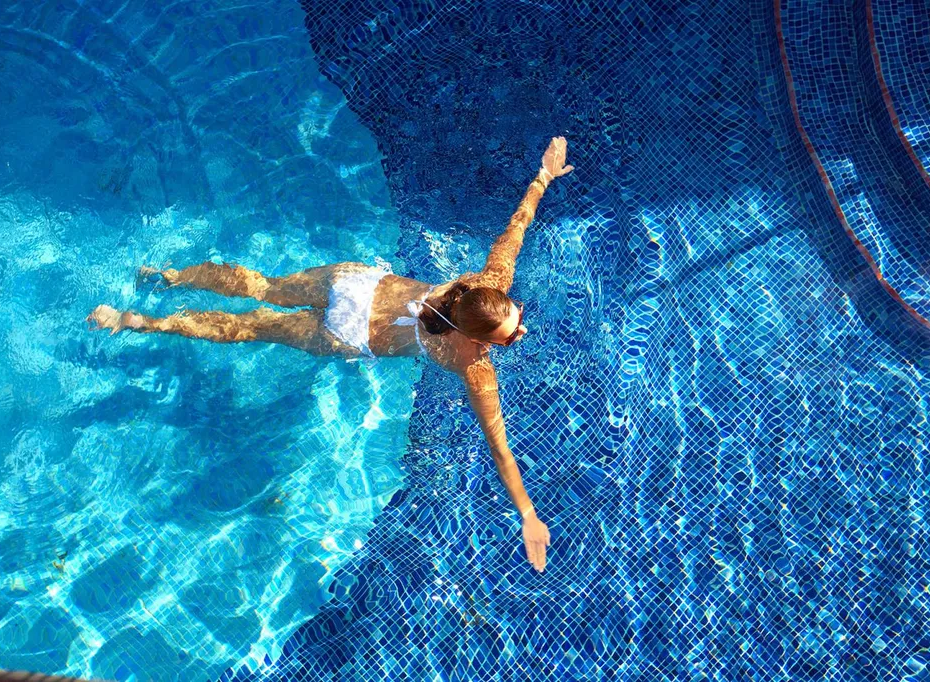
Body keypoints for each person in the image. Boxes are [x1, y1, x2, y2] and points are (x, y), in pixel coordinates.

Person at [87, 136, 574, 573]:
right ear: (479, 337)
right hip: (348, 331)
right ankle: (140, 322)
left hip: (356, 283)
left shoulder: (486, 285)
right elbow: (499, 448)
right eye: (511, 333)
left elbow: (515, 228)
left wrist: (543, 176)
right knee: (250, 328)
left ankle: (168, 276)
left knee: (265, 287)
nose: (521, 328)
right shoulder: (473, 364)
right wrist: (528, 515)